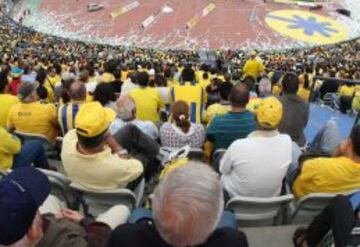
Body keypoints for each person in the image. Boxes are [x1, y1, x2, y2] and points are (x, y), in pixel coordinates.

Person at [107, 162, 249, 247]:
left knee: (139, 213)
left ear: (155, 204)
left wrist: (144, 223)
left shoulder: (123, 238)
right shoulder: (233, 241)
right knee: (229, 216)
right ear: (216, 220)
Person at [0, 167, 128, 247]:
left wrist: (48, 219)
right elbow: (106, 240)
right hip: (88, 234)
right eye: (36, 209)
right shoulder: (74, 243)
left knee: (52, 199)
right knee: (122, 208)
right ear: (33, 231)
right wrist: (85, 221)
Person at [220, 97, 292, 199]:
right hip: (271, 199)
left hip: (236, 198)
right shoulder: (287, 141)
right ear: (279, 121)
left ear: (255, 118)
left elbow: (223, 170)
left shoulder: (238, 145)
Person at [61, 102, 144, 191]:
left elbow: (76, 132)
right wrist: (122, 153)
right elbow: (139, 167)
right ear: (105, 137)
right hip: (113, 194)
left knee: (129, 129)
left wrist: (116, 148)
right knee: (143, 157)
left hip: (83, 185)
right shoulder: (117, 167)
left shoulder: (67, 140)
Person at [292, 124, 360, 198]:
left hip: (299, 194)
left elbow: (301, 166)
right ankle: (310, 149)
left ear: (349, 143)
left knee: (291, 144)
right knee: (331, 126)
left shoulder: (320, 164)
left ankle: (309, 150)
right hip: (329, 200)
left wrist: (337, 150)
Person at [207, 83, 256, 150]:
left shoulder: (217, 122)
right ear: (248, 100)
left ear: (229, 98)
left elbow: (209, 138)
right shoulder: (256, 121)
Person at [277, 73, 309, 146]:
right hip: (298, 143)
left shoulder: (275, 101)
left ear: (282, 87)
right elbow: (304, 125)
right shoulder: (305, 105)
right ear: (297, 88)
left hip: (279, 142)